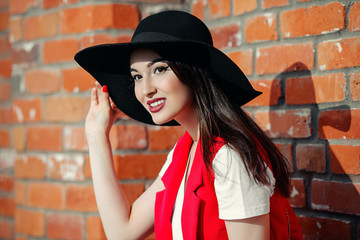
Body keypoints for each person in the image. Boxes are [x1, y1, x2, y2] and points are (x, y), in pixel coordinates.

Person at [75, 10, 302, 240]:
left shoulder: (229, 157)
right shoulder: (183, 154)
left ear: (193, 72)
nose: (146, 90)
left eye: (159, 69)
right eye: (137, 77)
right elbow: (122, 232)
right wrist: (96, 135)